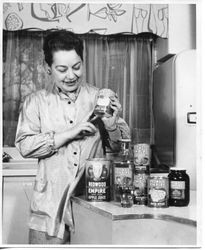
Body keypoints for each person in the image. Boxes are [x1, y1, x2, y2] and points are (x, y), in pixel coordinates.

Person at [15, 29, 130, 244]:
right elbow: (25, 145)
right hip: (48, 208)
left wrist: (111, 123)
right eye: (62, 69)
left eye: (77, 67)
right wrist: (70, 133)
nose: (71, 75)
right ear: (47, 68)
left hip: (92, 205)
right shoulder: (36, 102)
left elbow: (119, 149)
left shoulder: (99, 97)